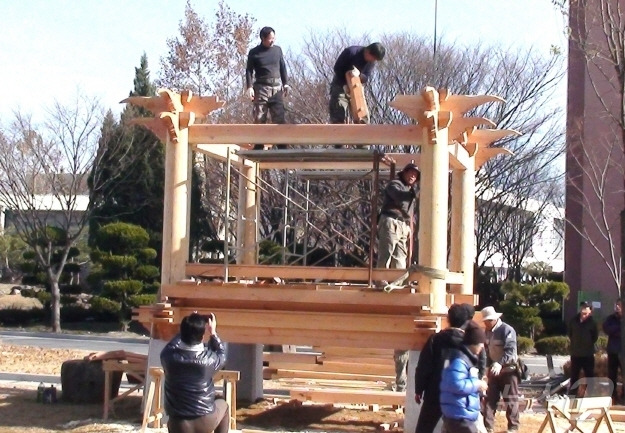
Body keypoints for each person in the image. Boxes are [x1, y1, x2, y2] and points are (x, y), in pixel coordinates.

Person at [377, 162, 420, 392]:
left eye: (415, 176)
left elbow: (410, 205)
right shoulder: (396, 185)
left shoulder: (412, 191)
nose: (412, 178)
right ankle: (382, 279)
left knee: (401, 259)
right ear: (404, 174)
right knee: (388, 251)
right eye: (410, 174)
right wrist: (412, 191)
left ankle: (398, 282)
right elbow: (400, 196)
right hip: (391, 219)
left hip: (403, 224)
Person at [160, 313, 229, 433]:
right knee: (223, 405)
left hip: (178, 424)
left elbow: (172, 344)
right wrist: (213, 333)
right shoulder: (209, 360)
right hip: (206, 421)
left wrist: (188, 326)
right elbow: (221, 354)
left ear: (182, 333)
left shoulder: (167, 356)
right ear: (202, 337)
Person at [414, 304, 470, 433]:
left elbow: (424, 366)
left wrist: (419, 389)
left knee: (424, 428)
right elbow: (477, 367)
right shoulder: (470, 343)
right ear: (466, 321)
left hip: (436, 390)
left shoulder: (436, 339)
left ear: (448, 319)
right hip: (459, 392)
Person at [245, 26, 290, 150]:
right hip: (261, 87)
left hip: (276, 87)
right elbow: (249, 71)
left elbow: (283, 66)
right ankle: (259, 144)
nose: (272, 41)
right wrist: (249, 87)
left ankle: (282, 145)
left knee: (279, 117)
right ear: (263, 39)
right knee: (259, 116)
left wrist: (285, 83)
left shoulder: (277, 50)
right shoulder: (254, 52)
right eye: (270, 39)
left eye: (274, 38)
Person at [440, 321, 489, 433]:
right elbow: (456, 384)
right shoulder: (460, 361)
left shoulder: (463, 359)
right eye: (481, 346)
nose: (481, 350)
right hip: (460, 415)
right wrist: (478, 384)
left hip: (458, 412)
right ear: (474, 344)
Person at [329, 42, 385, 131]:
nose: (373, 61)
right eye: (373, 58)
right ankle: (338, 143)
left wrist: (359, 75)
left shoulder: (371, 62)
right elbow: (337, 68)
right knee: (338, 111)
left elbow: (366, 77)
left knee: (362, 117)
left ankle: (362, 143)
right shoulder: (351, 52)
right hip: (340, 85)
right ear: (368, 52)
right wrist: (345, 84)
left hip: (356, 88)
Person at [481, 306, 519, 433]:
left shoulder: (507, 330)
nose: (486, 323)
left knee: (510, 398)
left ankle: (513, 427)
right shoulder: (487, 331)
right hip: (494, 371)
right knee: (490, 399)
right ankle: (488, 427)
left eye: (488, 321)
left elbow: (510, 351)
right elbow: (486, 350)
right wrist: (487, 366)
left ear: (494, 319)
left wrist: (500, 363)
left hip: (509, 371)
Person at [568, 301, 598, 396]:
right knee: (574, 376)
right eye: (582, 307)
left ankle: (590, 395)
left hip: (588, 354)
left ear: (590, 310)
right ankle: (572, 396)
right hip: (576, 353)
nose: (583, 309)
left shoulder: (592, 323)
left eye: (586, 307)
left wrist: (587, 343)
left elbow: (595, 337)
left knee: (589, 376)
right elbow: (570, 333)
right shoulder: (574, 321)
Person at [603, 299, 623, 402]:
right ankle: (613, 397)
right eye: (617, 305)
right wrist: (619, 329)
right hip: (613, 351)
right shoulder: (611, 318)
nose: (618, 307)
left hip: (623, 352)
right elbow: (607, 329)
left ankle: (623, 398)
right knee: (612, 376)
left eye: (620, 305)